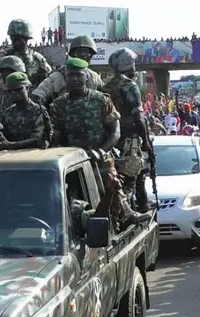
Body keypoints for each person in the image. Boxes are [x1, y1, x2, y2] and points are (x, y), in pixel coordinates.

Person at [51, 57, 150, 226]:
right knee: (73, 198)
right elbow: (56, 137)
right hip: (72, 161)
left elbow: (115, 131)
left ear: (86, 77)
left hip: (100, 156)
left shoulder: (101, 100)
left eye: (78, 75)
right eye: (70, 75)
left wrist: (102, 151)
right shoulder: (58, 105)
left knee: (113, 186)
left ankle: (125, 216)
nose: (74, 79)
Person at [103, 47, 154, 211]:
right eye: (133, 64)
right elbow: (139, 118)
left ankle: (141, 203)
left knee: (131, 173)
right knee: (131, 175)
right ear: (127, 65)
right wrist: (146, 142)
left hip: (112, 138)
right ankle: (127, 211)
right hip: (129, 138)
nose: (135, 68)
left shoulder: (106, 87)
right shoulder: (129, 86)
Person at [31, 35, 104, 108]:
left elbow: (106, 94)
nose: (83, 54)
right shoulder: (57, 76)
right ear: (73, 54)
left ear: (91, 55)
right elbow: (37, 96)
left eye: (87, 51)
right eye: (79, 51)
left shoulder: (94, 76)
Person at [0, 72, 52, 151]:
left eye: (18, 89)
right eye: (10, 91)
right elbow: (3, 135)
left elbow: (38, 140)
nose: (13, 93)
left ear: (27, 88)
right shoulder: (8, 113)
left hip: (35, 156)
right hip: (12, 158)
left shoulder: (39, 111)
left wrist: (11, 145)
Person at [0, 19, 52, 90]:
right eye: (13, 39)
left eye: (19, 39)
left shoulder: (38, 58)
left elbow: (49, 78)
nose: (16, 42)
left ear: (26, 38)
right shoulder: (4, 56)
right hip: (9, 95)